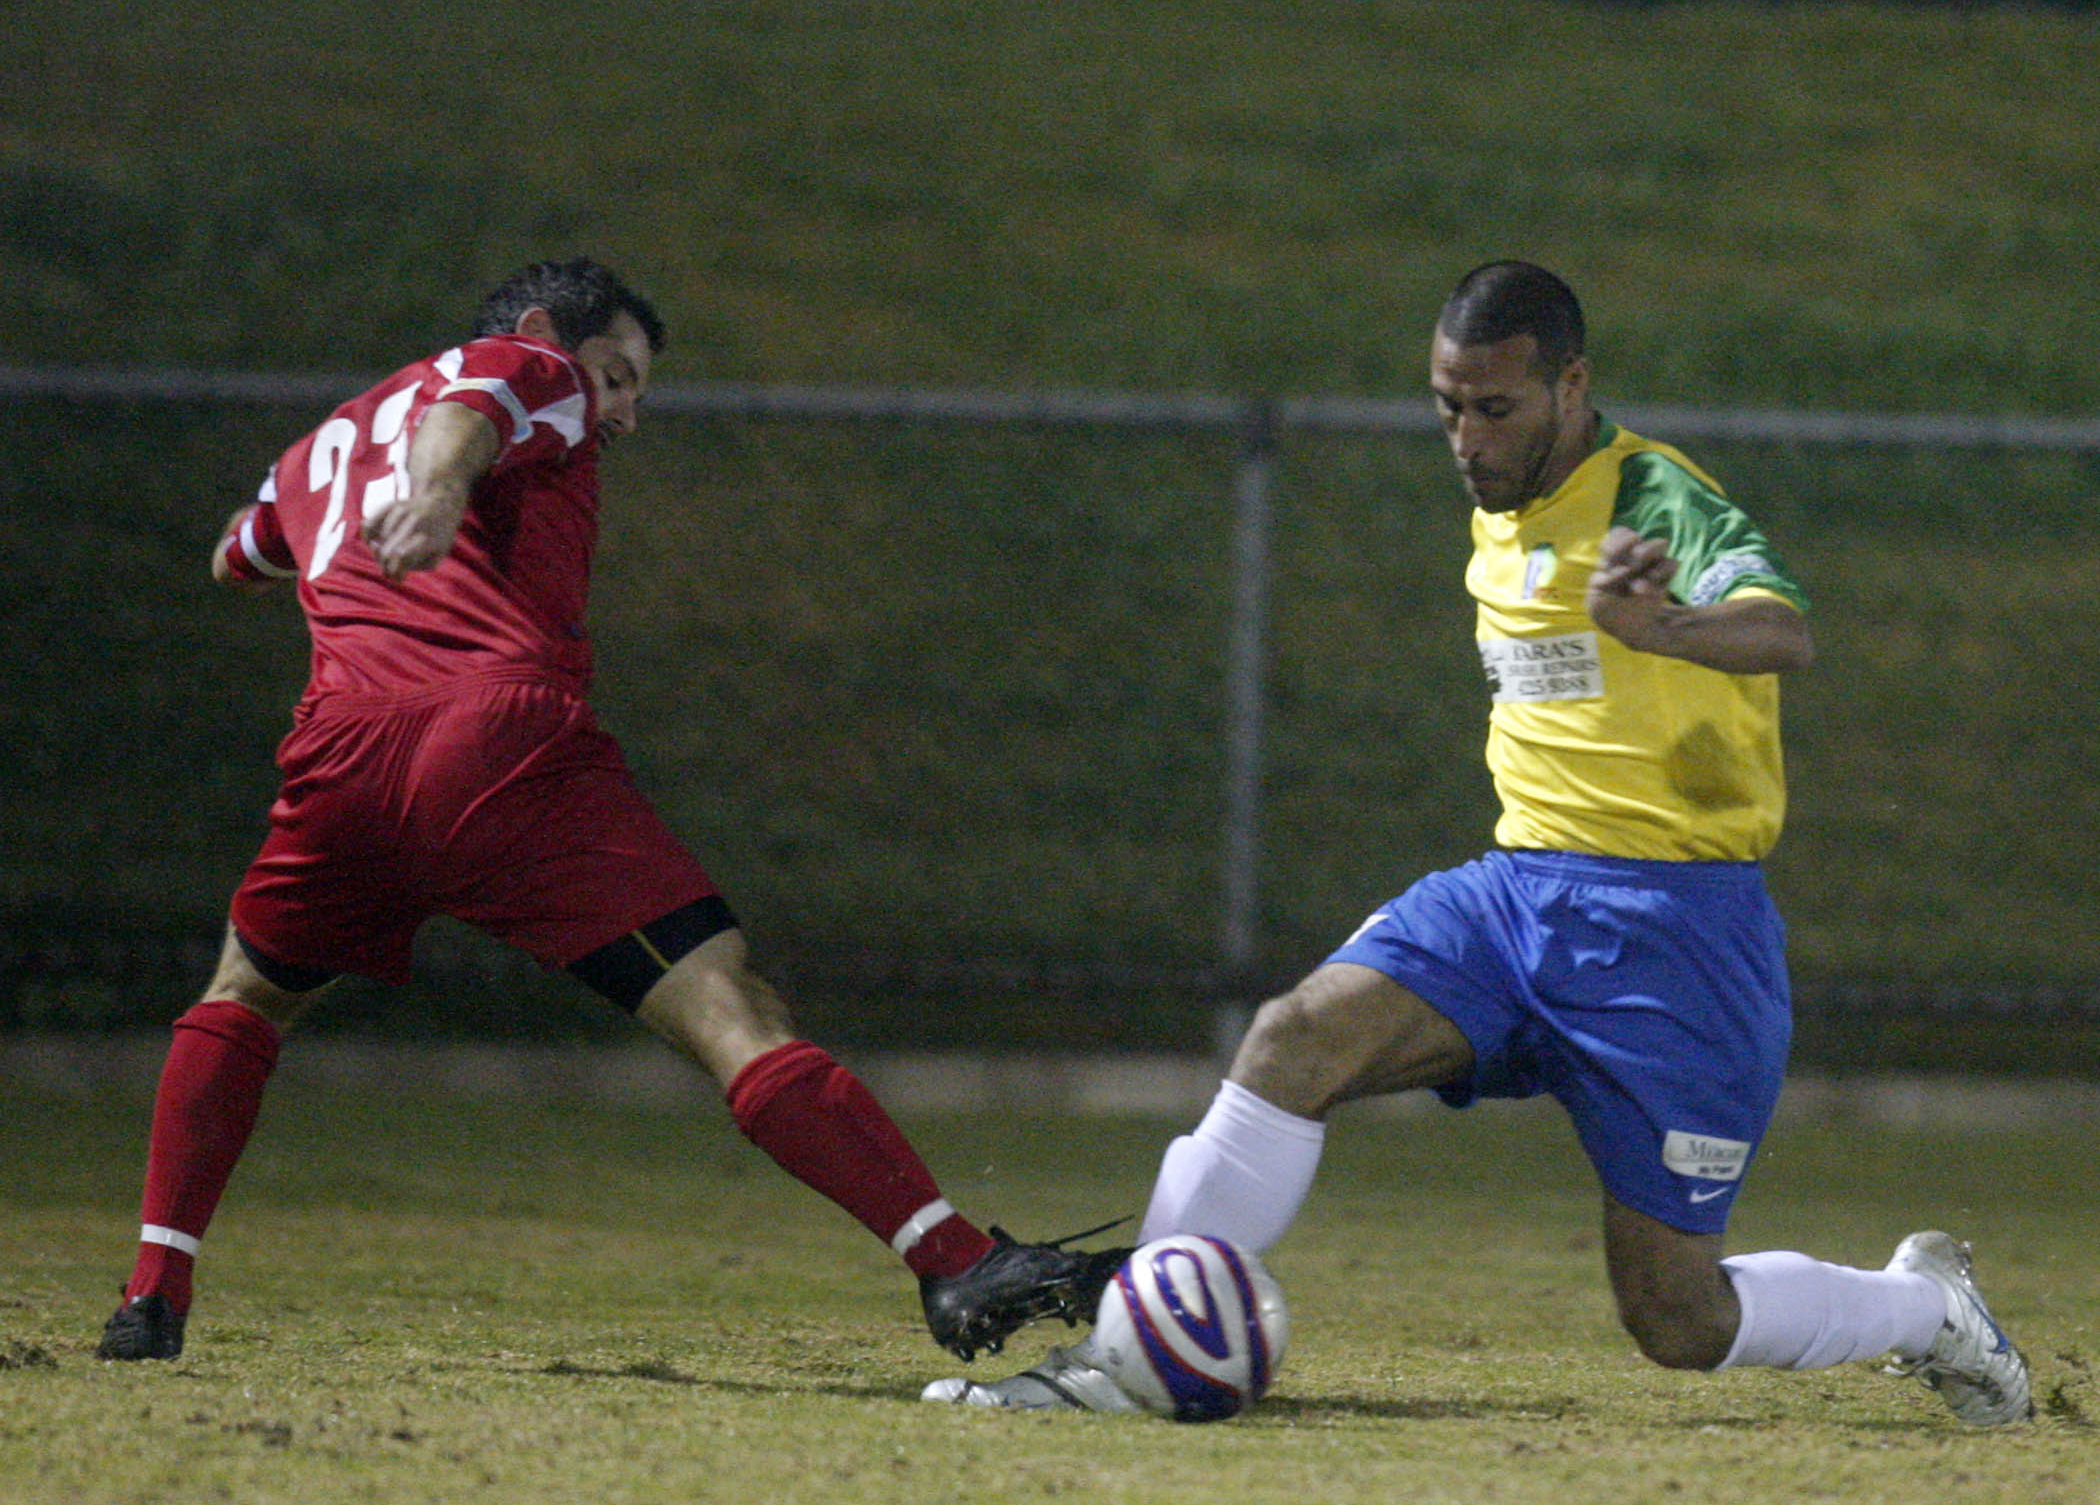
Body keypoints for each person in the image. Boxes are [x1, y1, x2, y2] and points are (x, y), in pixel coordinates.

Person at [923, 260, 2032, 1425]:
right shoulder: (1500, 507)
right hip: (1517, 896)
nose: (1467, 436)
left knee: (1677, 1316)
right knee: (1294, 1038)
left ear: (1572, 384)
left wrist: (1665, 627)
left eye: (1495, 407)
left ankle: (1926, 1308)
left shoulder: (1651, 492)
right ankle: (1125, 1354)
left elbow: (1784, 630)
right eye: (1448, 406)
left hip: (1678, 934)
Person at [96, 257, 1124, 1366]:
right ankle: (955, 1262)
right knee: (726, 1002)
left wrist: (328, 530)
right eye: (616, 375)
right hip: (498, 748)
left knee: (245, 998)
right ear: (548, 330)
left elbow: (238, 553)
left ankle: (150, 1297)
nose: (623, 412)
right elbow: (472, 409)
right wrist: (438, 494)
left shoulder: (322, 448)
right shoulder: (526, 365)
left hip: (341, 757)